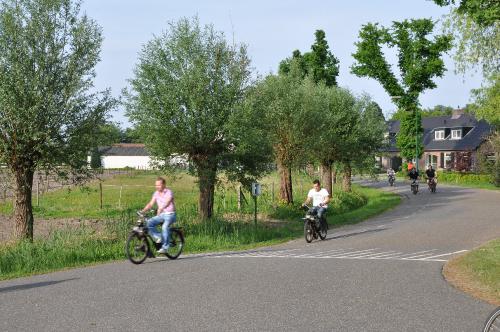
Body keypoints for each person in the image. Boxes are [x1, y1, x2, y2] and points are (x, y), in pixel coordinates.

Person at [140, 177, 176, 254]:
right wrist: (143, 211)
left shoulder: (169, 192)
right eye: (156, 185)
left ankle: (165, 248)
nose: (157, 187)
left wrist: (161, 208)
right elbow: (150, 204)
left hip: (170, 215)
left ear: (164, 185)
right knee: (149, 223)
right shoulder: (156, 193)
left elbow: (167, 201)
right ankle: (159, 237)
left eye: (159, 185)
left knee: (164, 227)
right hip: (162, 215)